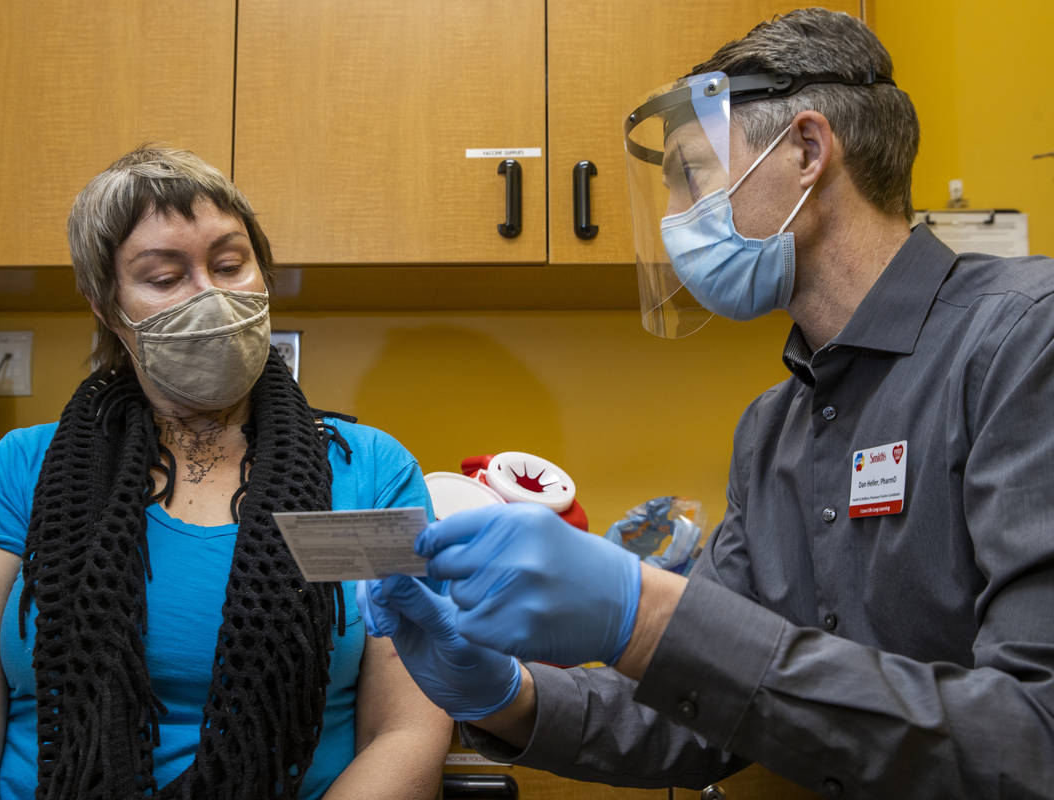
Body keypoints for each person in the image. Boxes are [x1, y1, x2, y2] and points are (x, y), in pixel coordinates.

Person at [359, 8, 1054, 799]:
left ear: (806, 150)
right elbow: (706, 711)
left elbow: (1031, 737)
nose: (673, 219)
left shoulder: (1026, 344)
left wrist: (644, 612)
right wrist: (506, 696)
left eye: (690, 175)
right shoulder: (773, 430)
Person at [0, 145, 451, 800]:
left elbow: (405, 730)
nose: (210, 296)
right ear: (107, 308)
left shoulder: (369, 471)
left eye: (231, 264)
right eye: (163, 277)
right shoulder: (20, 471)